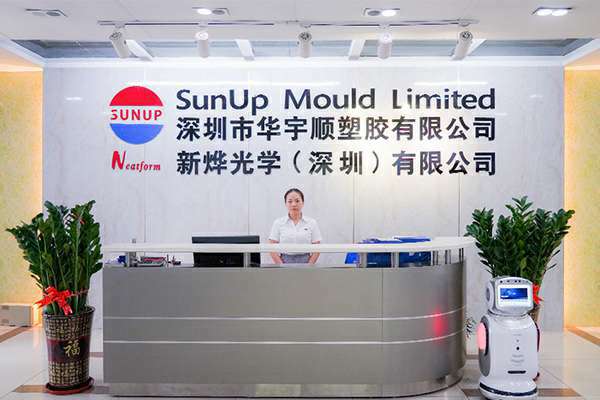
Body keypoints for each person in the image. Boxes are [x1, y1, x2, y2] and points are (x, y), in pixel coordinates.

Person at [268, 188, 321, 264]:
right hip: (284, 261)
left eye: (297, 201)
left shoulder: (312, 222)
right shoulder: (278, 223)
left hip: (306, 261)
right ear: (285, 203)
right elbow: (271, 246)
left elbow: (317, 247)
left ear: (302, 203)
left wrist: (309, 265)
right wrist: (281, 265)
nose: (294, 204)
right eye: (290, 201)